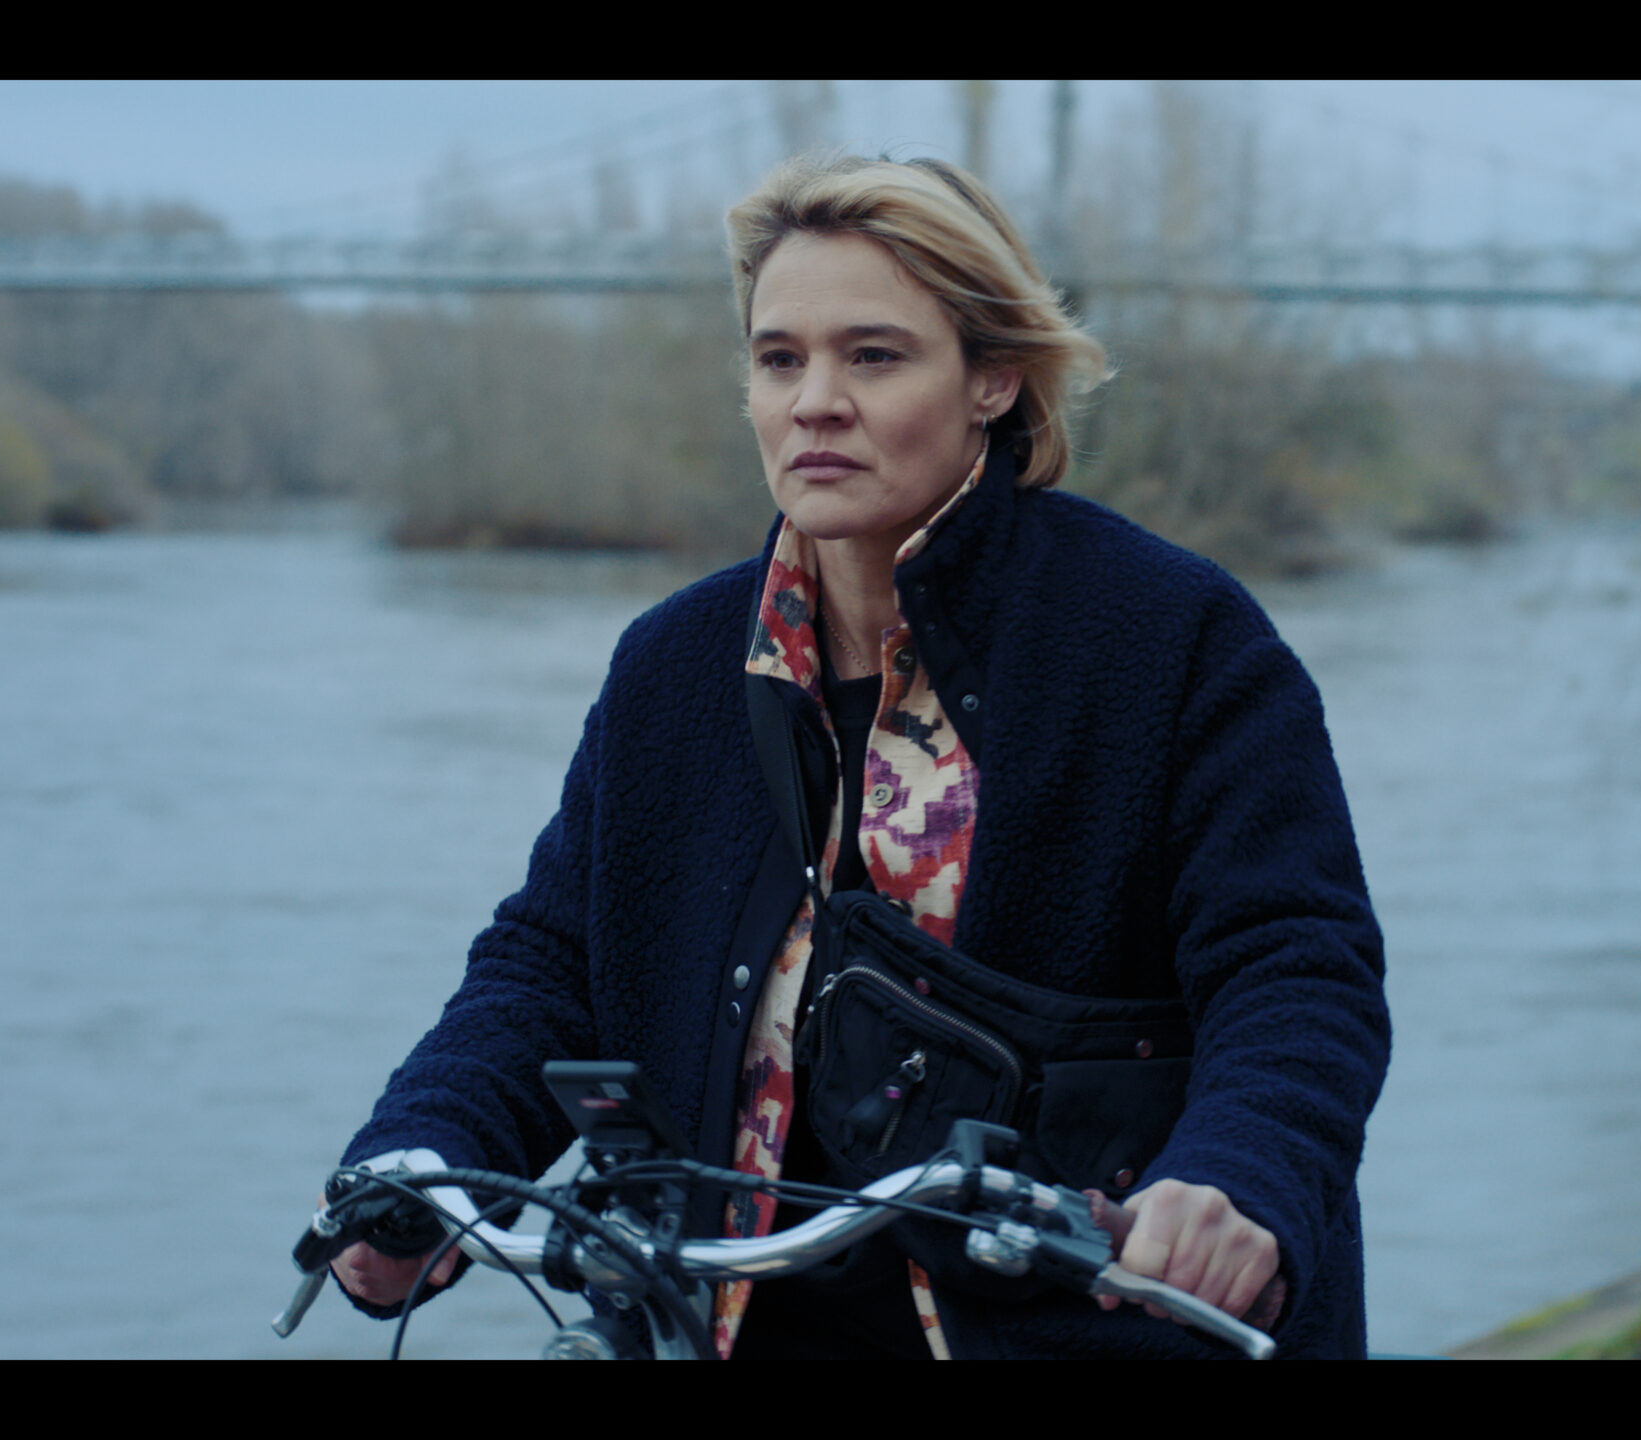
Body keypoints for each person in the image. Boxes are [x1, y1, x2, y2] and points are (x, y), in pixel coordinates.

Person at [330, 154, 1389, 1359]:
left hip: (1084, 1327)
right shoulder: (672, 665)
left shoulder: (1168, 637)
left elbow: (1294, 966)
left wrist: (1239, 1177)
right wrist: (423, 1149)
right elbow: (553, 961)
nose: (814, 402)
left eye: (873, 357)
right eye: (779, 359)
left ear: (993, 377)